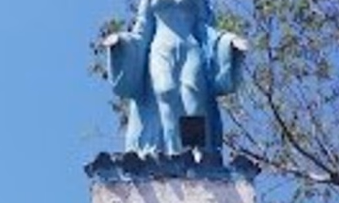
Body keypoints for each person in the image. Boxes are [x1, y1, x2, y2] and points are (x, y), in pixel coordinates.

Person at [105, 0, 247, 156]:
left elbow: (205, 29)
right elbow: (142, 30)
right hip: (161, 49)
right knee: (165, 91)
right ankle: (174, 152)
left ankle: (198, 151)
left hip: (190, 48)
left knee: (193, 96)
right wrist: (121, 42)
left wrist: (228, 41)